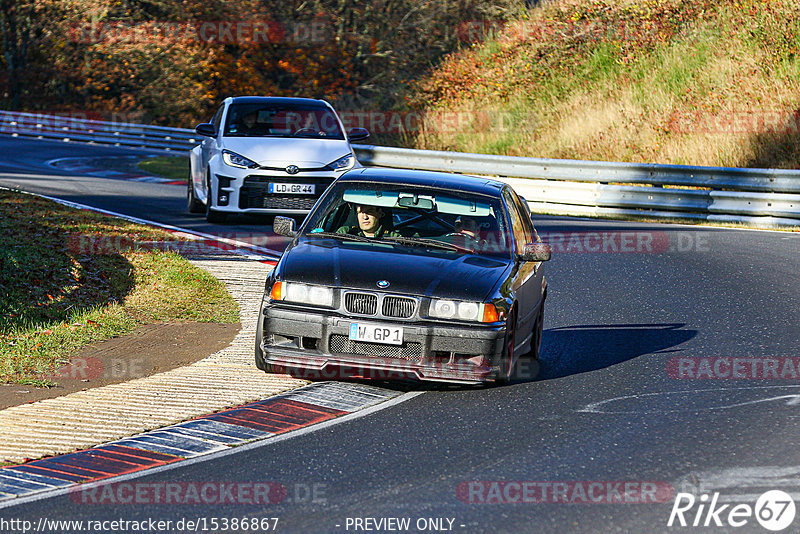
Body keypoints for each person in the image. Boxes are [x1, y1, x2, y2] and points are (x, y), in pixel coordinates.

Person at [336, 204, 400, 238]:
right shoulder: (345, 233)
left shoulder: (393, 238)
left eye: (369, 212)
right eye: (360, 212)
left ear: (379, 213)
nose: (365, 217)